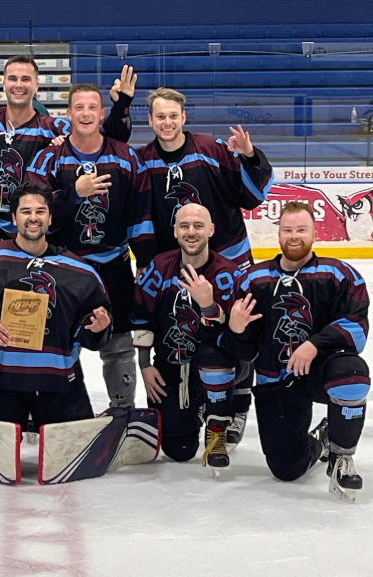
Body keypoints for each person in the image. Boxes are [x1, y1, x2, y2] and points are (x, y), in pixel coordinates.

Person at [123, 87, 275, 442]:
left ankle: (237, 406)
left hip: (230, 260)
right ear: (150, 120)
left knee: (239, 330)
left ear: (184, 117)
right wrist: (146, 260)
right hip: (178, 264)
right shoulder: (142, 160)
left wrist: (250, 155)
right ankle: (202, 397)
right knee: (188, 329)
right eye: (160, 116)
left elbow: (253, 196)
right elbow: (138, 215)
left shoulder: (212, 150)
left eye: (173, 116)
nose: (167, 122)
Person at [219, 201, 369, 501]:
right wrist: (236, 329)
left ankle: (341, 457)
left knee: (352, 373)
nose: (294, 236)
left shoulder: (338, 274)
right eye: (287, 230)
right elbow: (245, 352)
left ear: (315, 233)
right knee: (286, 468)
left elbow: (357, 328)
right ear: (278, 234)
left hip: (322, 372)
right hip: (275, 378)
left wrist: (314, 344)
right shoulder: (253, 280)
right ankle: (322, 440)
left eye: (301, 230)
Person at [27, 83, 154, 409]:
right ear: (68, 114)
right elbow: (34, 215)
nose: (86, 114)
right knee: (54, 344)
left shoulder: (126, 157)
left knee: (119, 344)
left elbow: (140, 212)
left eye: (92, 107)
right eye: (79, 108)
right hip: (62, 268)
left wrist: (144, 258)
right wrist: (74, 193)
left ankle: (122, 410)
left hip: (113, 267)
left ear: (102, 113)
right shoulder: (48, 158)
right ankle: (54, 413)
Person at [0, 182, 112, 429]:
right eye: (26, 211)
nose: (33, 218)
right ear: (13, 218)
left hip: (58, 382)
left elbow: (90, 322)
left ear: (50, 218)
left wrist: (97, 327)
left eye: (40, 211)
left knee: (73, 452)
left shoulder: (82, 272)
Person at [0, 56, 133, 255]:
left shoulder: (55, 128)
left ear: (36, 85)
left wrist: (121, 105)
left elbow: (108, 139)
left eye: (26, 79)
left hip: (32, 232)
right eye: (13, 78)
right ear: (3, 83)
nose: (18, 85)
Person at [132, 204, 243, 470]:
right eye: (184, 226)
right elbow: (142, 316)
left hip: (214, 361)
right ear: (175, 231)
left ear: (211, 230)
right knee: (179, 450)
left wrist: (209, 306)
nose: (191, 232)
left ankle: (222, 415)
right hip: (172, 363)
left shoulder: (229, 275)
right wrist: (145, 364)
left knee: (214, 357)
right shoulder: (160, 266)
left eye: (198, 226)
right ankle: (199, 407)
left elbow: (240, 336)